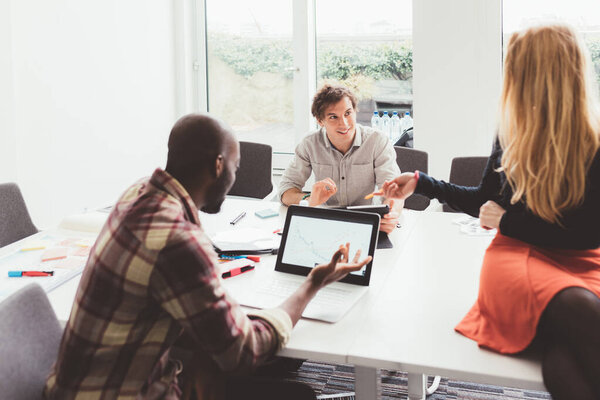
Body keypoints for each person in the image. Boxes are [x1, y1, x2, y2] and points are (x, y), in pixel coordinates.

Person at [43, 114, 371, 400]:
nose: (233, 177)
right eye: (235, 166)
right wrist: (312, 284)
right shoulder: (177, 239)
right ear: (218, 165)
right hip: (122, 393)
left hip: (78, 383)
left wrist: (209, 348)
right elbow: (244, 353)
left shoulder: (139, 193)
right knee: (295, 391)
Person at [378, 25, 600, 400]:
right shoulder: (511, 133)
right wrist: (423, 182)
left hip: (579, 258)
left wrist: (509, 220)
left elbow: (588, 234)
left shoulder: (591, 142)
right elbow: (484, 200)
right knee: (579, 309)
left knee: (563, 358)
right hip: (516, 257)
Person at [279, 84, 402, 234]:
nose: (344, 123)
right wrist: (310, 199)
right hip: (327, 222)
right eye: (333, 117)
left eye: (348, 113)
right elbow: (285, 192)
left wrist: (392, 215)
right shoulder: (309, 143)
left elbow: (395, 191)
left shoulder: (377, 141)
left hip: (368, 222)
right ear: (320, 120)